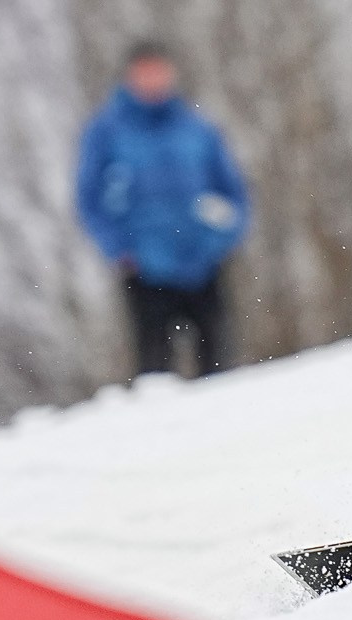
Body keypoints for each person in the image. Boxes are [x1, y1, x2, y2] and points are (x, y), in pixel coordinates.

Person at [74, 42, 250, 378]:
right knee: (155, 372)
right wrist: (118, 248)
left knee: (219, 365)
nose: (153, 80)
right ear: (129, 77)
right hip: (144, 267)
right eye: (145, 72)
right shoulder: (106, 132)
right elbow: (88, 197)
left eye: (158, 71)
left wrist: (223, 238)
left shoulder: (197, 128)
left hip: (203, 261)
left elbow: (233, 191)